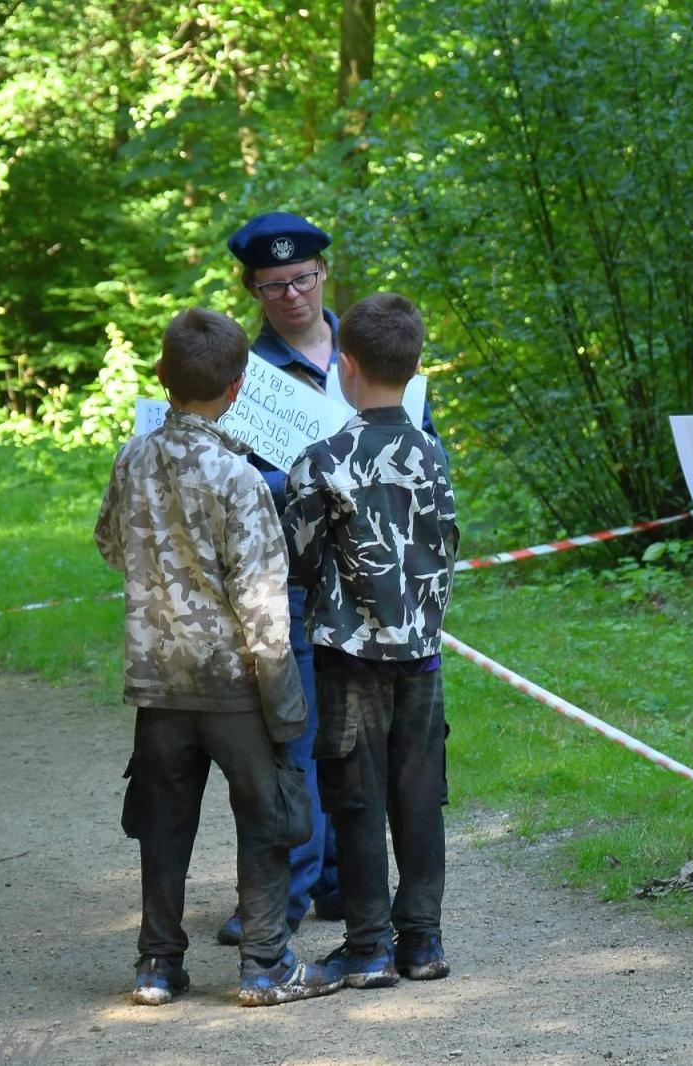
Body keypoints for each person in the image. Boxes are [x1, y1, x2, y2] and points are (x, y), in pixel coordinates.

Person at [95, 307, 326, 1007]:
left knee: (162, 823)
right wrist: (283, 699)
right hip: (235, 686)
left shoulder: (132, 458)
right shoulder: (239, 477)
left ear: (160, 375)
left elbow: (110, 544)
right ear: (237, 388)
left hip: (159, 681)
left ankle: (158, 964)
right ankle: (265, 964)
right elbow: (262, 599)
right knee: (266, 817)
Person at [283, 292, 458, 990]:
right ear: (413, 370)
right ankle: (423, 941)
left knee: (355, 801)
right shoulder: (433, 454)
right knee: (420, 797)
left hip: (348, 658)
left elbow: (298, 560)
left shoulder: (322, 459)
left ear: (345, 366)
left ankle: (368, 948)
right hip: (422, 656)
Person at [217, 210, 348, 945]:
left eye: (302, 278)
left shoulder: (369, 349)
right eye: (274, 286)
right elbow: (223, 478)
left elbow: (422, 444)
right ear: (253, 291)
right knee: (292, 738)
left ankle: (342, 880)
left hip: (368, 581)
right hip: (286, 581)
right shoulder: (243, 375)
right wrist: (300, 481)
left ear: (324, 272)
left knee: (360, 733)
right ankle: (280, 896)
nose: (292, 295)